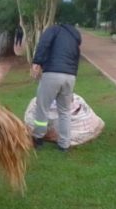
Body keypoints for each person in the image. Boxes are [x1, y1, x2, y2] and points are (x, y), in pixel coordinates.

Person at [30, 23, 82, 152]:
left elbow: (44, 44)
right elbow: (76, 57)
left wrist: (37, 62)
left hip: (52, 74)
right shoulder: (75, 36)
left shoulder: (54, 29)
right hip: (70, 76)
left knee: (43, 107)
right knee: (64, 111)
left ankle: (38, 138)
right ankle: (64, 144)